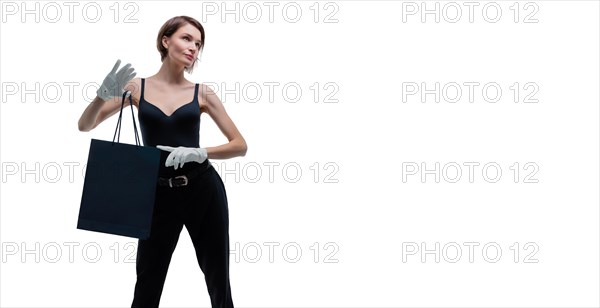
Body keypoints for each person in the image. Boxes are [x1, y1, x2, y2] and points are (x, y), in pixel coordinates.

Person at [77, 15, 246, 308]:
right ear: (165, 41)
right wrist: (100, 97)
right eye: (186, 38)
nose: (193, 47)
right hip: (155, 193)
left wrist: (202, 152)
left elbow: (240, 145)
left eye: (198, 43)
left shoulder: (202, 93)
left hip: (202, 189)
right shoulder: (136, 87)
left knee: (218, 278)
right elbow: (85, 125)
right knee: (147, 282)